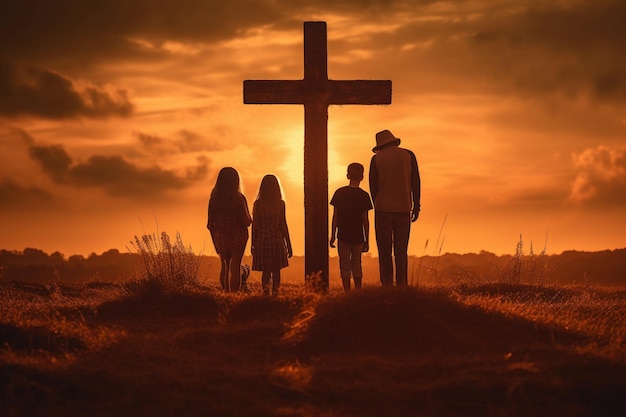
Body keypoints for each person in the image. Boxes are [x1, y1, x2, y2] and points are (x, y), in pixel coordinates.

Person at [369, 130, 421, 287]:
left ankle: (386, 284)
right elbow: (415, 182)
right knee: (401, 251)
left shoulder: (376, 159)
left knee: (384, 251)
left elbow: (373, 187)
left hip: (383, 209)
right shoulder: (408, 155)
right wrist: (416, 205)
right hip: (404, 207)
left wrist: (377, 203)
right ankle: (402, 284)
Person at [207, 167, 252, 292]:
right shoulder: (239, 198)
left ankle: (226, 293)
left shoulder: (214, 200)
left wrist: (215, 241)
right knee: (235, 267)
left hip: (221, 237)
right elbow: (247, 222)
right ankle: (234, 295)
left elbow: (210, 224)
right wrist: (251, 216)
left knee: (225, 267)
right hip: (238, 237)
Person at [330, 162, 373, 292]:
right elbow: (365, 219)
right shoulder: (364, 196)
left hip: (343, 235)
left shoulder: (339, 193)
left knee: (345, 264)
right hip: (358, 235)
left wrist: (332, 235)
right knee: (356, 264)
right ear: (362, 177)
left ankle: (347, 292)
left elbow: (335, 217)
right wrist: (367, 239)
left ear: (347, 175)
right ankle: (358, 292)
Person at [252, 174, 293, 296]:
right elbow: (283, 225)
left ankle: (265, 295)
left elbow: (255, 226)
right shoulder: (280, 203)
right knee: (276, 271)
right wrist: (289, 245)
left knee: (265, 271)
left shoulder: (257, 204)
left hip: (262, 240)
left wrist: (253, 244)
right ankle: (275, 294)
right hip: (277, 239)